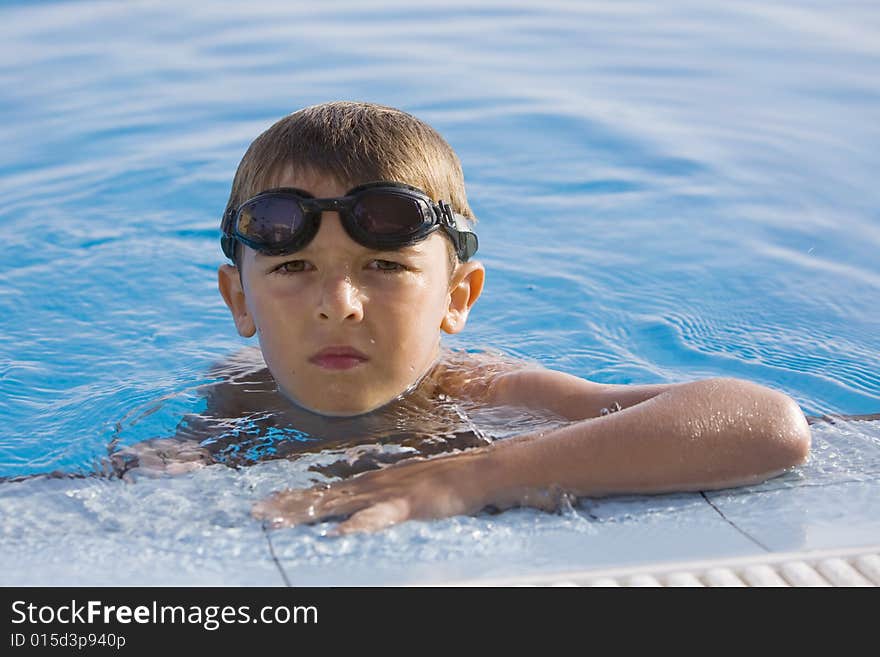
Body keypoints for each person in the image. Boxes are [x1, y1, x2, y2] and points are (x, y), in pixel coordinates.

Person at [121, 101, 812, 534]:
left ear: (458, 297)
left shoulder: (485, 393)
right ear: (240, 300)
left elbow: (764, 422)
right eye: (294, 269)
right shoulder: (237, 391)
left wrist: (471, 474)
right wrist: (177, 460)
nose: (339, 302)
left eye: (383, 267)